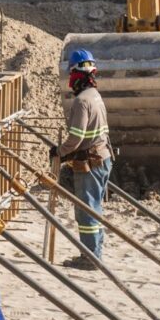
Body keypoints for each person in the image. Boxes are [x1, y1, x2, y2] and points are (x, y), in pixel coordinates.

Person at [54, 48, 110, 270]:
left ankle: (90, 258)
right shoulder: (95, 96)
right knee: (94, 208)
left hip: (91, 163)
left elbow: (76, 137)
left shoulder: (81, 102)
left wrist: (59, 152)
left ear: (76, 75)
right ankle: (94, 253)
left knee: (86, 211)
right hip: (103, 158)